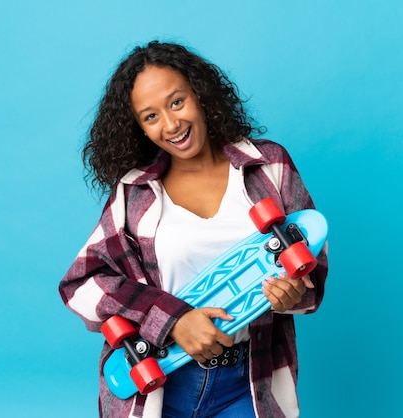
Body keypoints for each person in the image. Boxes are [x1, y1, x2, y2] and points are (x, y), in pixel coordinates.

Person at [59, 40, 329, 418]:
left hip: (249, 381)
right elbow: (81, 284)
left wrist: (293, 295)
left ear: (200, 94)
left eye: (176, 102)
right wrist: (173, 320)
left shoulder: (268, 166)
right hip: (161, 383)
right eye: (150, 116)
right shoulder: (134, 191)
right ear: (138, 127)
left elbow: (314, 276)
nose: (171, 125)